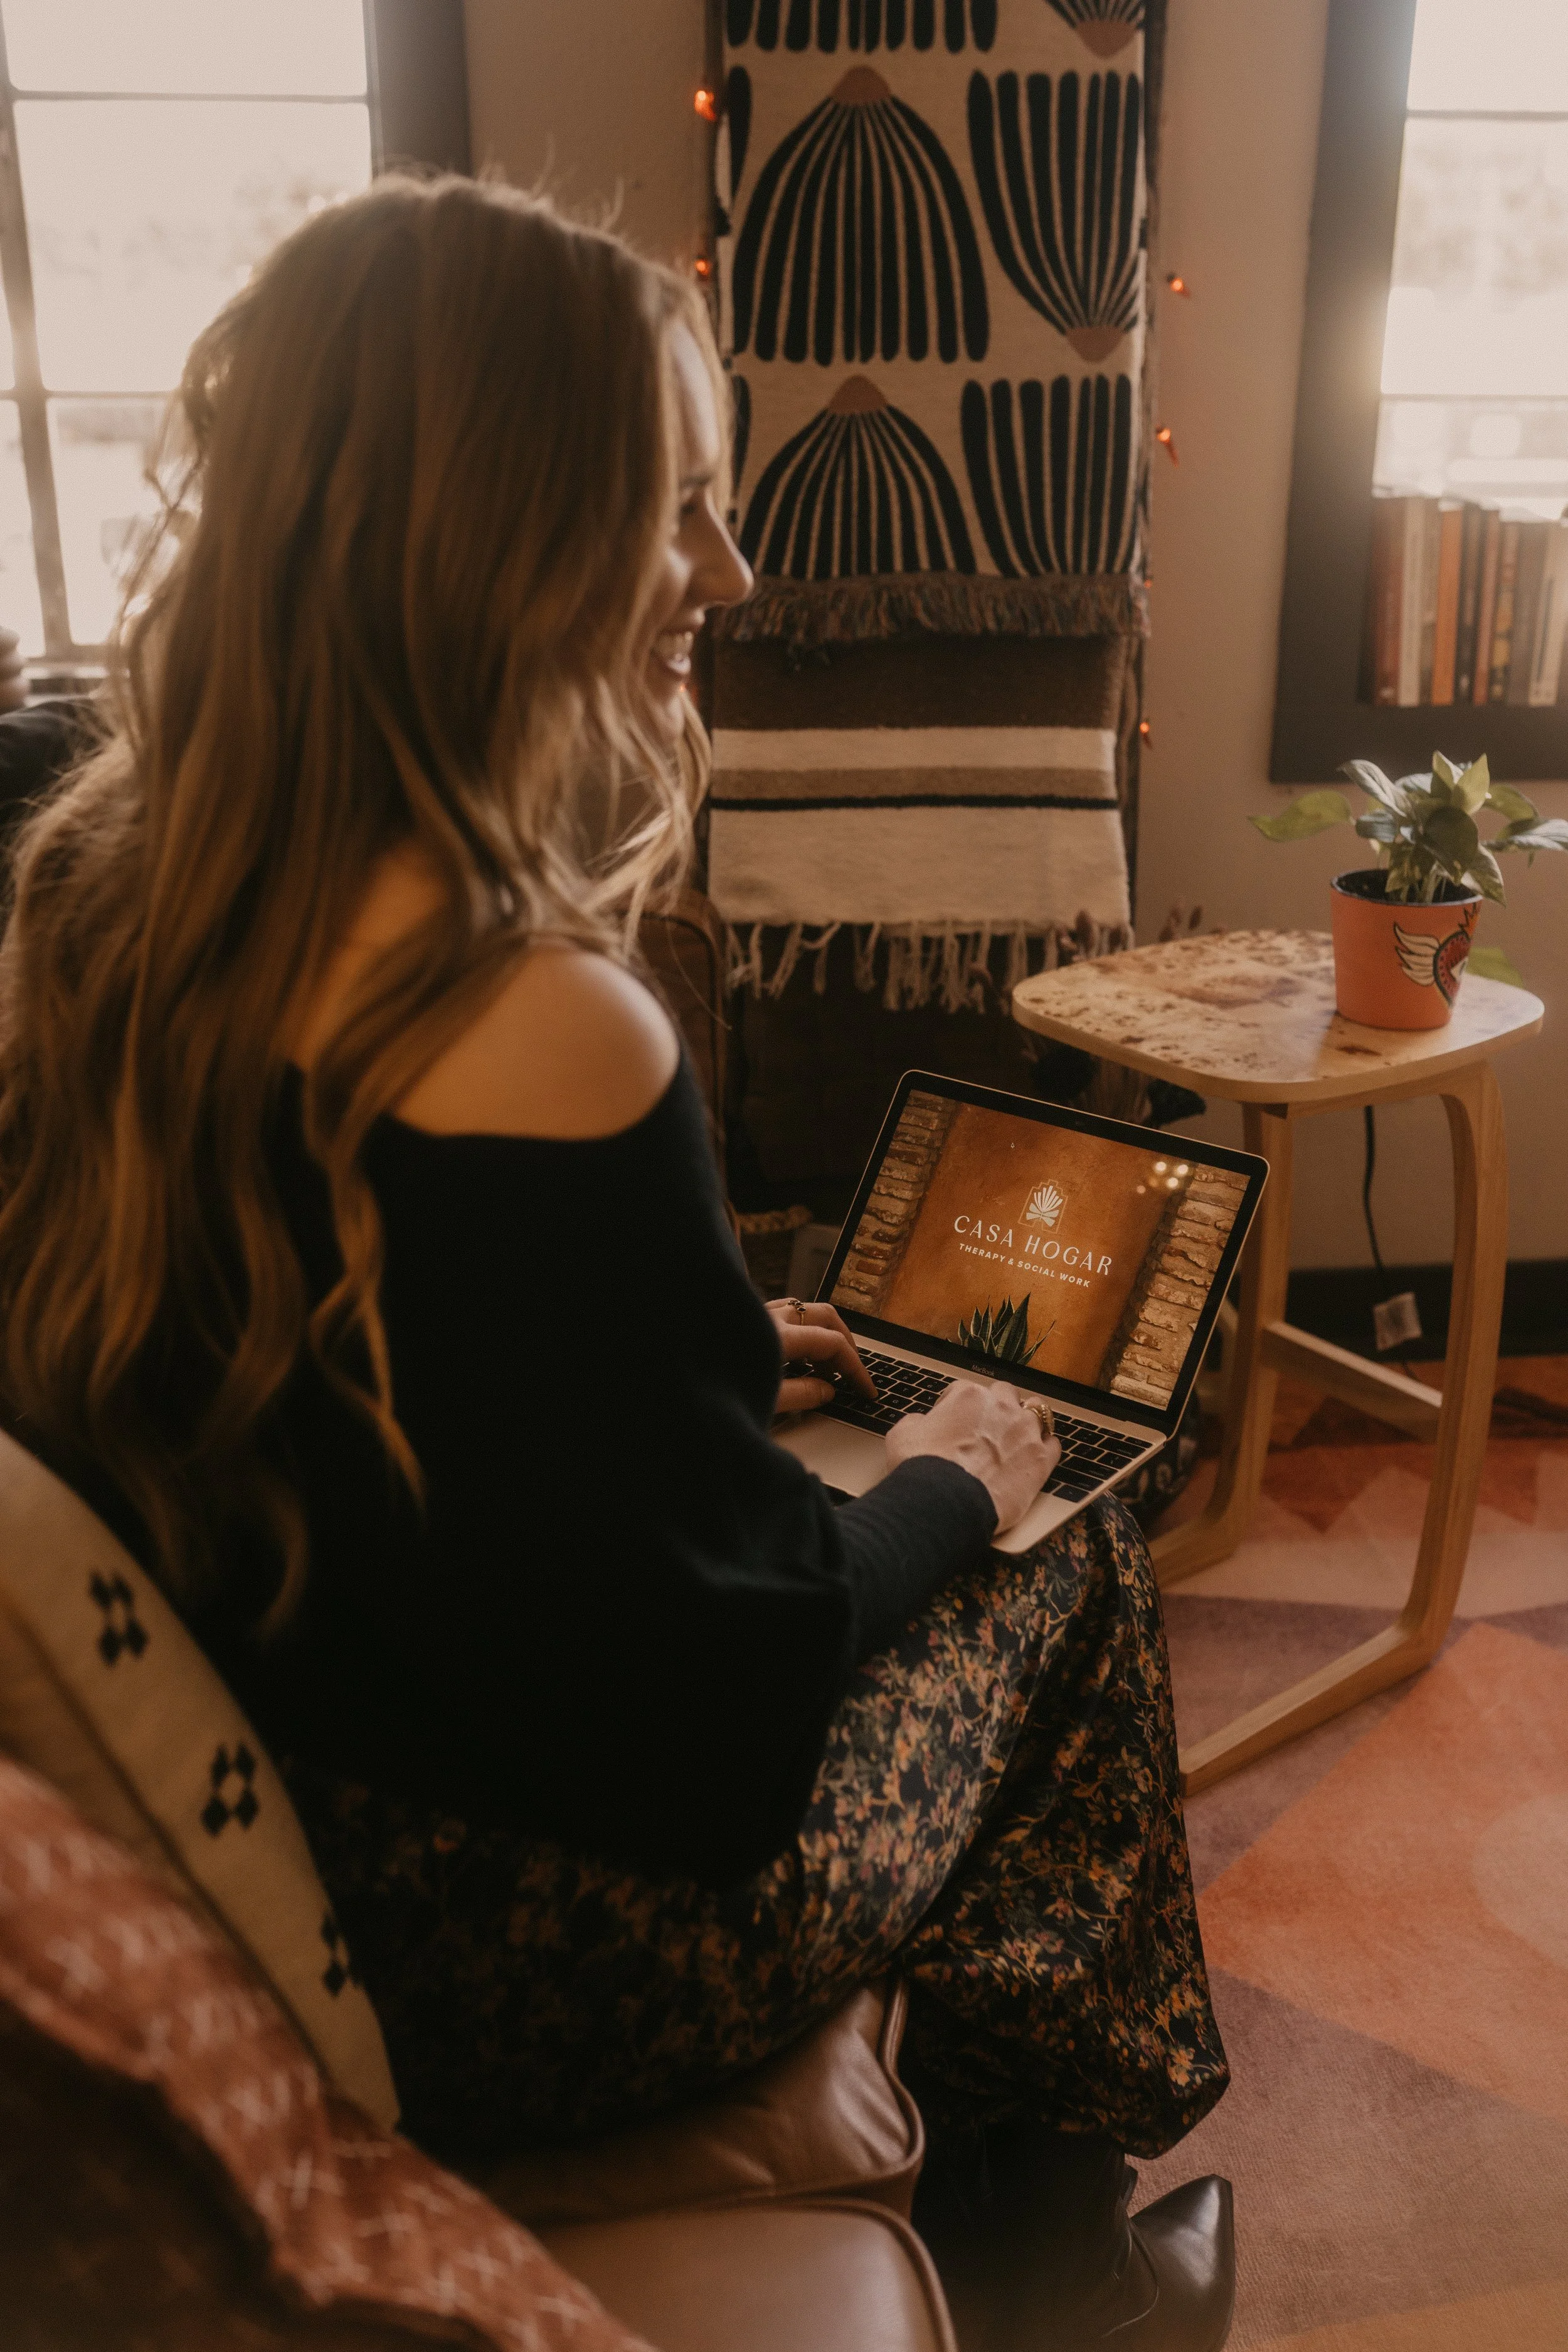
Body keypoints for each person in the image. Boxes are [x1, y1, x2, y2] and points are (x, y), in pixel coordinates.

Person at [0, 177, 1231, 2352]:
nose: (732, 575)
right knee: (1060, 1545)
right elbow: (721, 1727)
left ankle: (1038, 2208)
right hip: (530, 1957)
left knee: (966, 1482)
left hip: (316, 1786)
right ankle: (1063, 2247)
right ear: (500, 526)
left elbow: (346, 1357)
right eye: (674, 506)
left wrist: (684, 1347)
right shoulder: (544, 1021)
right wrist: (952, 1468)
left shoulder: (103, 908)